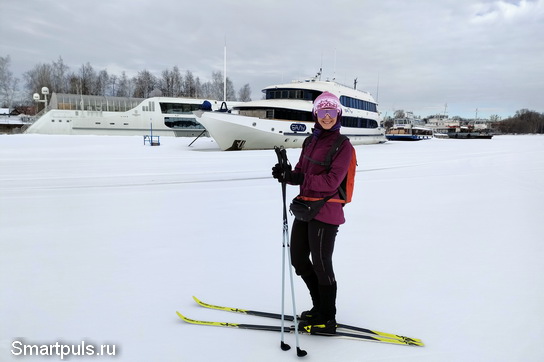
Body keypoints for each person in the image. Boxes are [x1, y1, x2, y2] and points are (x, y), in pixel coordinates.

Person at [272, 91, 354, 334]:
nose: (326, 116)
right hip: (306, 208)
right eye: (322, 112)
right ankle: (318, 306)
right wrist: (288, 174)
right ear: (315, 114)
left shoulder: (343, 145)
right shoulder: (310, 141)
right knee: (298, 260)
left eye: (331, 112)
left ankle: (327, 316)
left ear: (337, 114)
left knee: (321, 264)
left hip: (326, 212)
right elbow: (301, 171)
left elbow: (330, 182)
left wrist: (301, 177)